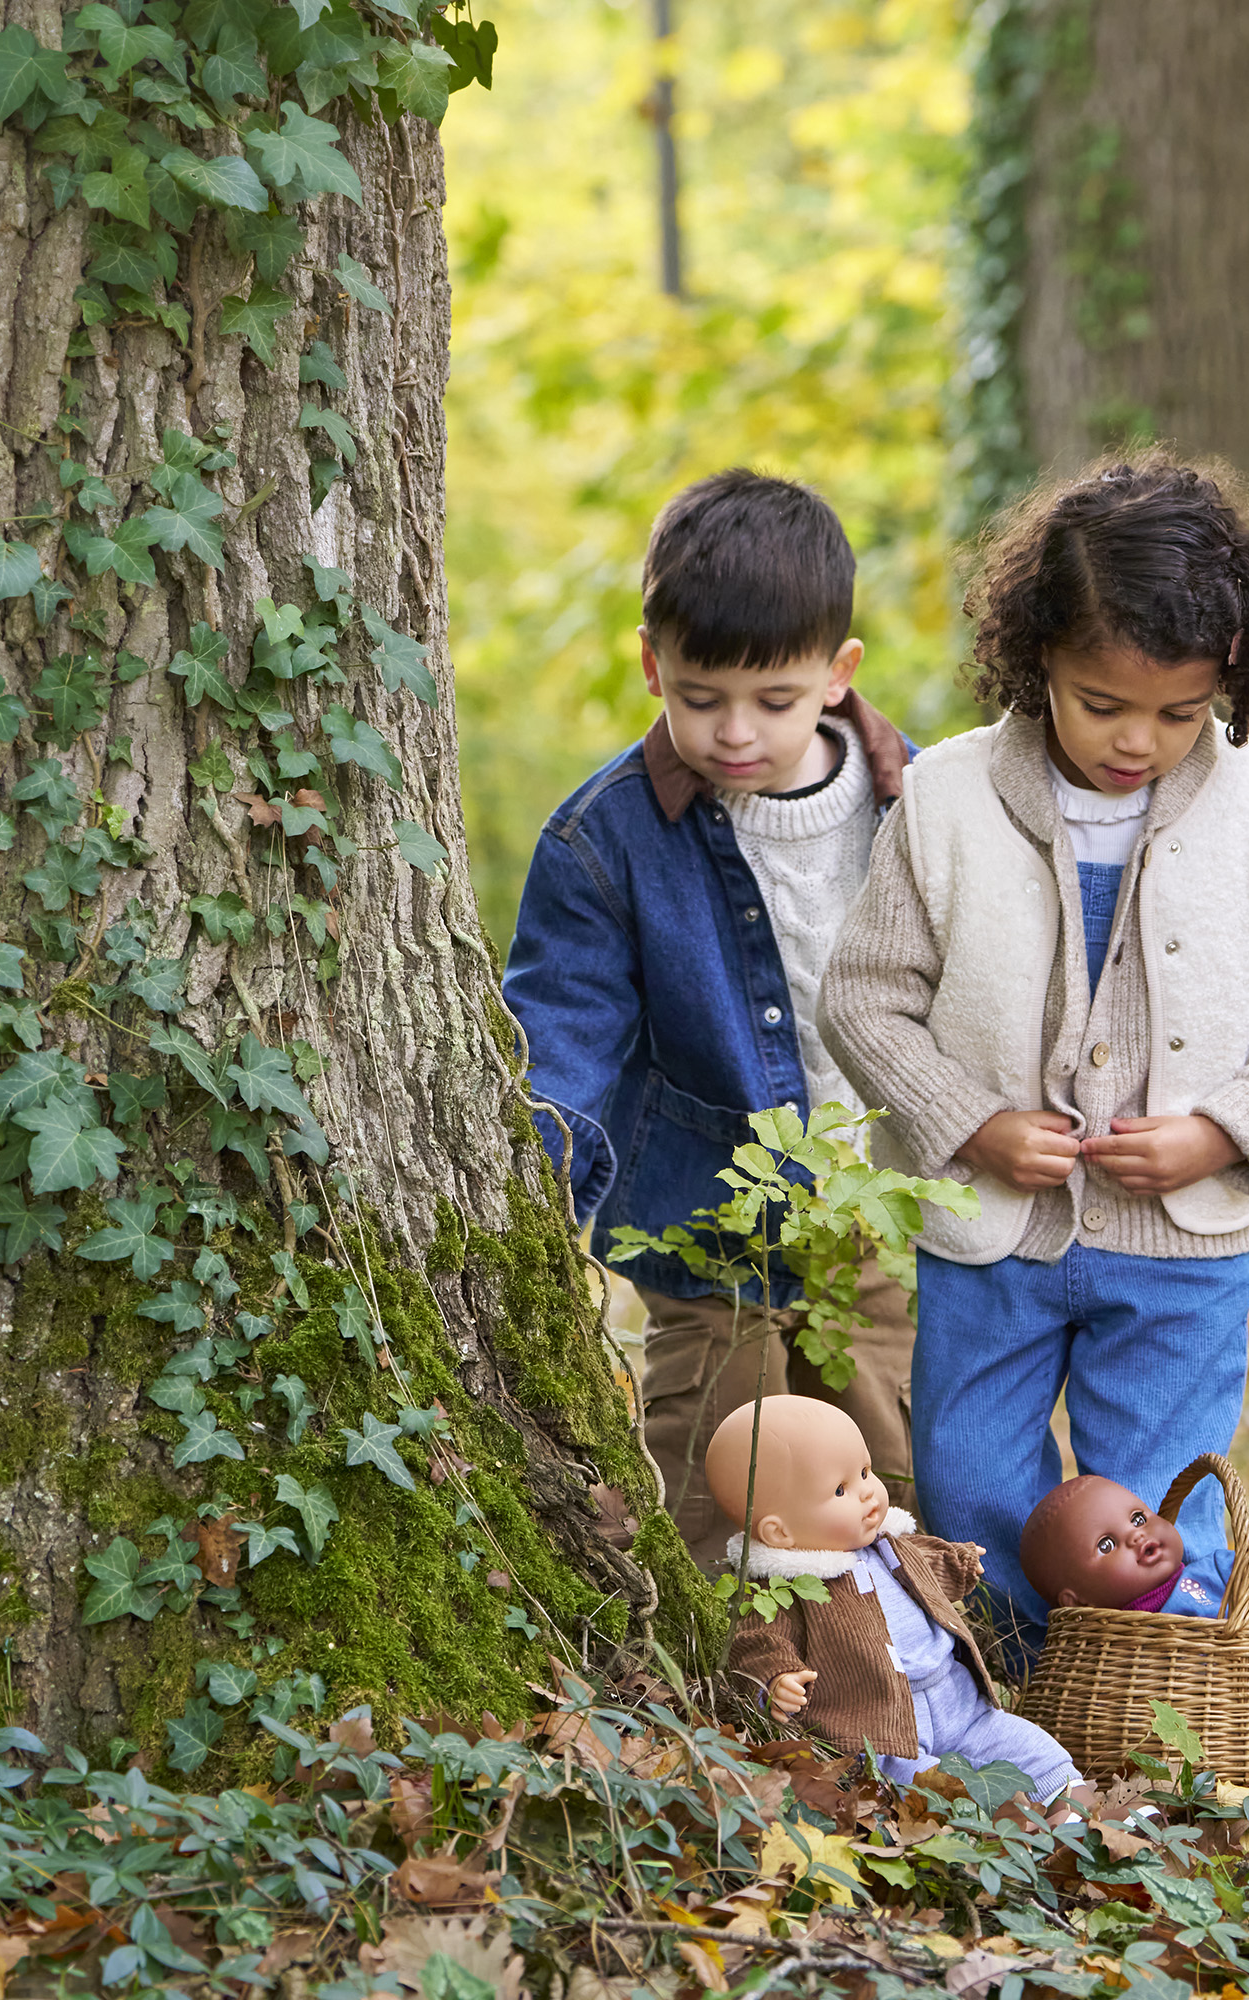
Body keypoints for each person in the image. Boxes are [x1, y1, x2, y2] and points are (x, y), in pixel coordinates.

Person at [816, 452, 1249, 1664]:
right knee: (970, 1485)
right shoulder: (946, 797)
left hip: (1180, 1248)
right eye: (1101, 703)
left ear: (1234, 677)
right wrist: (965, 1117)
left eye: (1179, 713)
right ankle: (1014, 1691)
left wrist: (1220, 1128)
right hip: (988, 1235)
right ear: (1037, 663)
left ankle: (1160, 1698)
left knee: (1154, 1509)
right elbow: (863, 996)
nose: (1139, 740)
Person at [502, 470, 918, 1570]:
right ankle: (733, 1696)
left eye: (773, 701)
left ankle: (912, 1682)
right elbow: (564, 1036)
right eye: (697, 697)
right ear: (651, 664)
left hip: (873, 1206)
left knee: (891, 1466)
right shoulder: (603, 839)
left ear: (836, 674)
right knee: (714, 1477)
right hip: (704, 1223)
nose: (734, 732)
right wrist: (532, 1195)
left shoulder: (921, 803)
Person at [708, 1394, 1082, 1800]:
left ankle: (1071, 1799)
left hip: (959, 1702)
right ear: (780, 1534)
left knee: (1028, 1745)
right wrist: (776, 1680)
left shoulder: (888, 1545)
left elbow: (925, 1570)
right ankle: (989, 1826)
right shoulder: (785, 1586)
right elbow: (758, 1641)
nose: (869, 1493)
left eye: (866, 1472)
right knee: (926, 1788)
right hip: (882, 1726)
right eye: (840, 1490)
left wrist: (957, 1563)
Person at [1019, 1474, 1249, 1630]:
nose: (1136, 1535)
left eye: (1138, 1518)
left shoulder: (1214, 1572)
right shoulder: (1105, 1646)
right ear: (1079, 1602)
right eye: (1106, 1545)